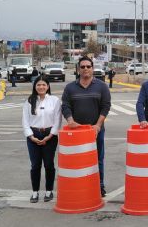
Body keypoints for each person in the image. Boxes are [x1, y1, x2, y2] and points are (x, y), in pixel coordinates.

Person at [61, 56, 111, 197]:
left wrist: (98, 125)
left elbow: (106, 106)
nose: (85, 69)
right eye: (82, 67)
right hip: (77, 132)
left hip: (96, 131)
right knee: (78, 160)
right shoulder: (70, 87)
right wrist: (70, 121)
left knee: (98, 158)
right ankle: (80, 185)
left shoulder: (101, 86)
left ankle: (99, 185)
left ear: (92, 68)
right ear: (78, 69)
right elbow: (65, 106)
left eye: (88, 66)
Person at [22, 75, 62, 203]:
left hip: (50, 136)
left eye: (44, 84)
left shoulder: (55, 100)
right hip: (33, 135)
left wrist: (50, 135)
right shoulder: (29, 101)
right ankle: (35, 192)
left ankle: (49, 191)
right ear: (35, 86)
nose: (41, 87)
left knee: (49, 165)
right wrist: (31, 136)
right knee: (35, 165)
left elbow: (58, 120)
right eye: (38, 85)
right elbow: (25, 121)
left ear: (48, 86)